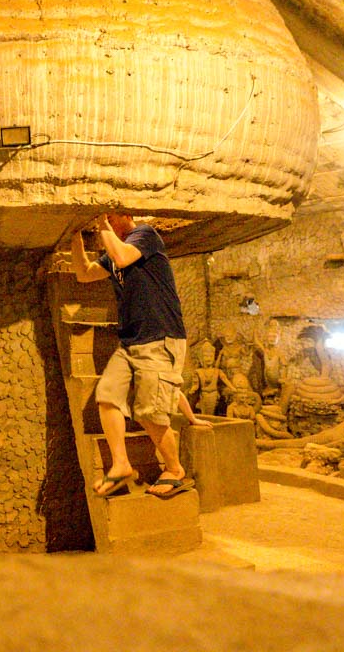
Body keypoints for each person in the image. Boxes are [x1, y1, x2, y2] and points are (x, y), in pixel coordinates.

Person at [71, 212, 209, 499]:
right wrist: (73, 236)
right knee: (108, 396)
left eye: (111, 218)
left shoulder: (145, 235)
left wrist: (102, 222)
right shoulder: (114, 253)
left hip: (159, 336)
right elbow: (84, 274)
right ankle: (121, 464)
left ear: (126, 215)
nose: (106, 225)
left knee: (149, 413)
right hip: (131, 340)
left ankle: (175, 470)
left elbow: (122, 258)